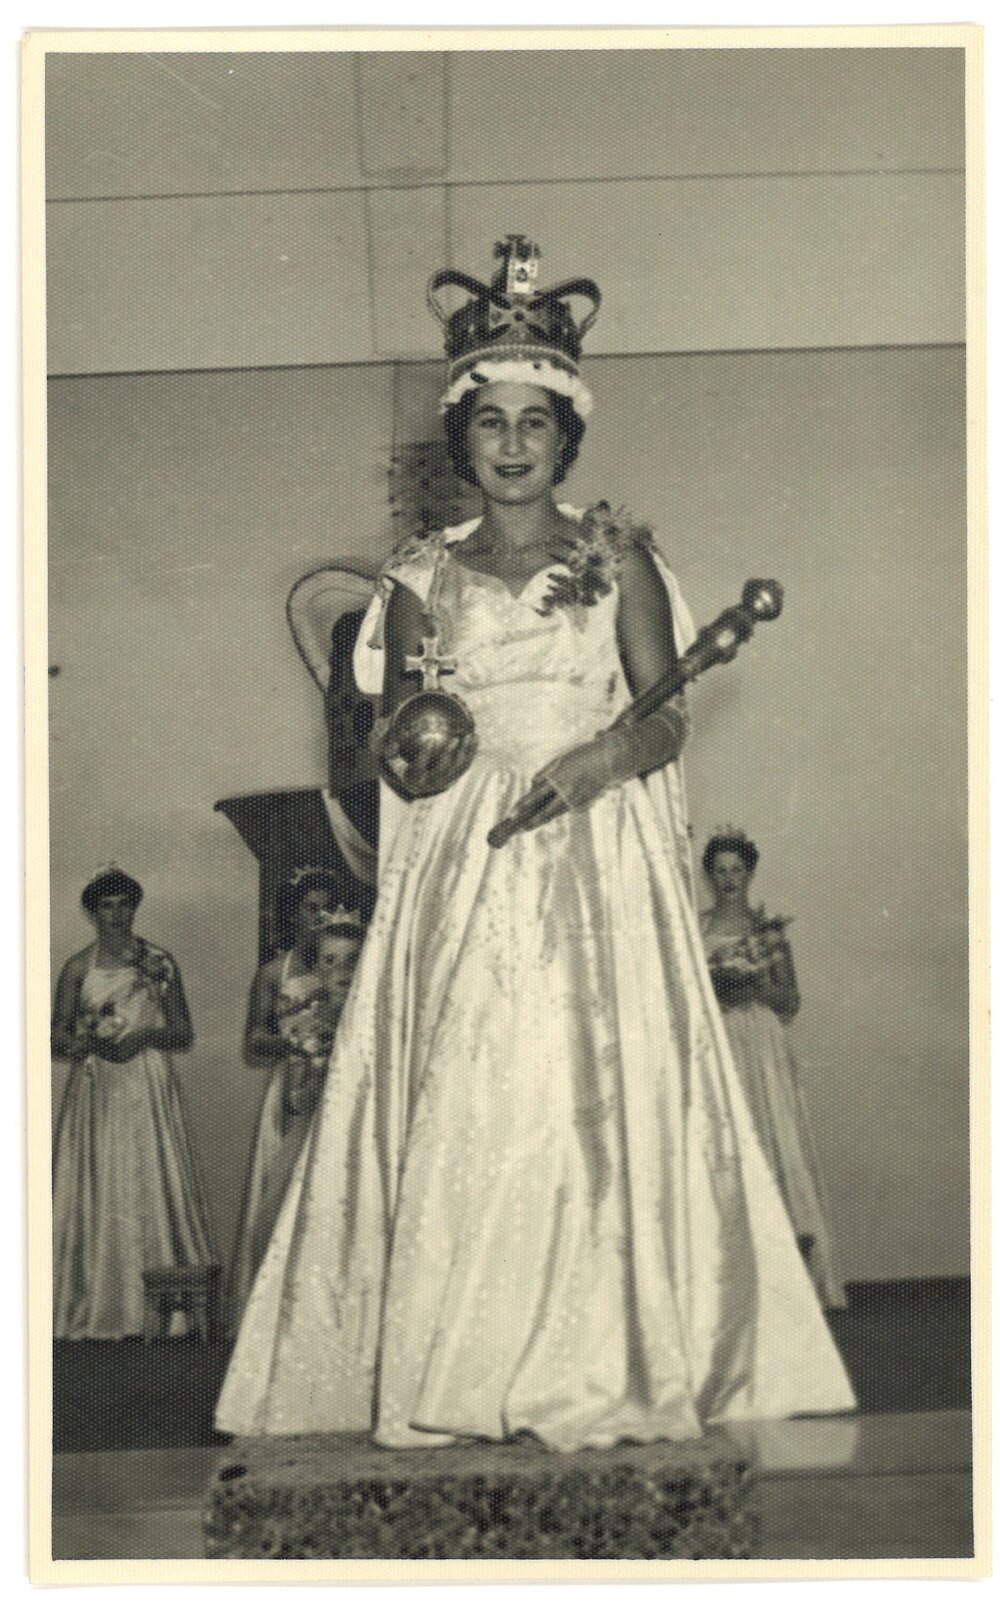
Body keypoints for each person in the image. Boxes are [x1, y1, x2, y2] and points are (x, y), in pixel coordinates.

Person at [216, 235, 855, 1448]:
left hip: (594, 849)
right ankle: (449, 1358)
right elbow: (396, 734)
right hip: (469, 854)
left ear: (567, 439)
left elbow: (662, 715)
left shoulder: (622, 559)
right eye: (492, 422)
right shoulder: (414, 577)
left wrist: (606, 754)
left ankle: (591, 1348)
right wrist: (428, 750)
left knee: (583, 1088)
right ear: (463, 443)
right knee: (471, 1084)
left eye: (536, 422)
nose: (512, 443)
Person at [51, 867, 214, 1340]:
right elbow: (57, 1034)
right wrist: (86, 1041)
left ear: (135, 907)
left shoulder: (159, 962)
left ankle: (168, 1312)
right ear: (93, 911)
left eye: (126, 904)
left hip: (147, 1080)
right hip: (98, 1085)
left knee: (151, 1173)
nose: (118, 914)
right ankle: (97, 1303)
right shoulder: (78, 967)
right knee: (103, 1177)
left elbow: (182, 1032)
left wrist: (143, 1034)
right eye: (108, 906)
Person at [700, 828, 846, 1309]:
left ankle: (792, 1284)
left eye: (736, 870)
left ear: (750, 873)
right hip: (717, 1042)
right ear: (710, 876)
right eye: (720, 871)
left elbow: (791, 1000)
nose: (728, 879)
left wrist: (753, 988)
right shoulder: (695, 928)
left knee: (771, 1139)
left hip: (760, 1042)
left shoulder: (767, 932)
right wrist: (718, 990)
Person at [227, 872, 357, 1325]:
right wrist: (294, 1042)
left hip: (337, 1084)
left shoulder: (351, 965)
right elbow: (253, 1042)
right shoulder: (272, 973)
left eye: (326, 908)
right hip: (289, 1086)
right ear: (293, 914)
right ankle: (270, 1309)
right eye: (309, 908)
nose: (318, 917)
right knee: (281, 1193)